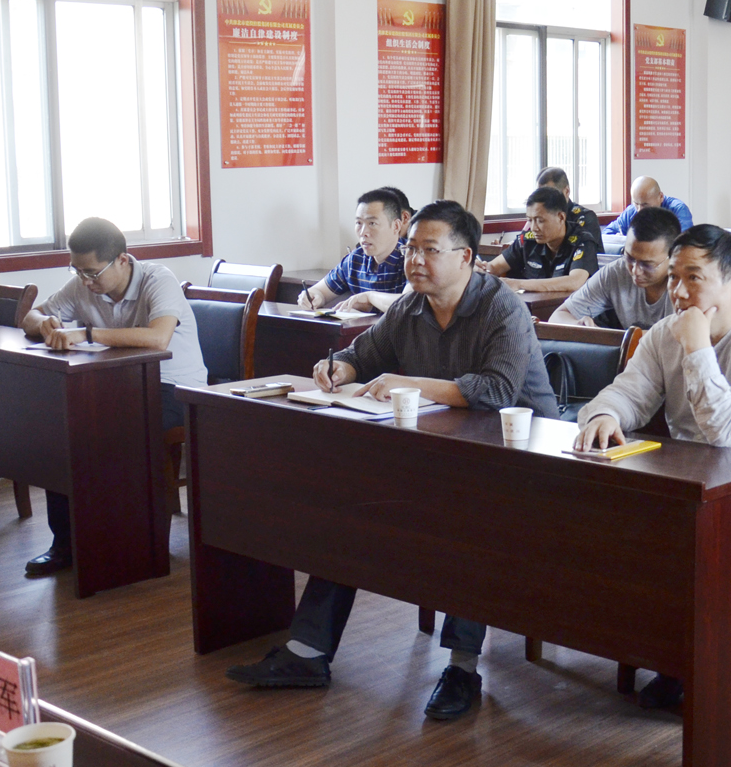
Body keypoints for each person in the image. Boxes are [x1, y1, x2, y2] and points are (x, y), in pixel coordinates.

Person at [226, 201, 560, 720]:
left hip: (521, 463)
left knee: (470, 526)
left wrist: (409, 383)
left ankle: (463, 668)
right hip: (442, 453)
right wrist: (339, 368)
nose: (415, 260)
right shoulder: (411, 307)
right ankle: (307, 652)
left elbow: (495, 391)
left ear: (465, 257)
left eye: (430, 250)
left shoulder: (502, 308)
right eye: (411, 249)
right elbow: (364, 352)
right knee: (352, 508)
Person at [575, 225, 731, 709]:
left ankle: (710, 680)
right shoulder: (665, 333)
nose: (679, 291)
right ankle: (668, 656)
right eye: (674, 277)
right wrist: (604, 414)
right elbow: (628, 393)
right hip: (694, 488)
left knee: (701, 554)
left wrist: (697, 347)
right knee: (616, 533)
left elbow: (724, 429)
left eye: (694, 278)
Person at [20, 218, 207, 579]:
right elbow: (33, 314)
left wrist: (87, 333)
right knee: (62, 431)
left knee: (112, 430)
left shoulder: (158, 279)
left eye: (92, 272)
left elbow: (158, 338)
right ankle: (66, 544)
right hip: (117, 384)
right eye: (76, 270)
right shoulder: (82, 284)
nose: (85, 281)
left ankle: (133, 545)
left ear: (122, 260)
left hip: (174, 387)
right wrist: (42, 323)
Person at [550, 206, 680, 329]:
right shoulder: (617, 272)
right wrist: (578, 324)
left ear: (673, 257)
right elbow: (557, 316)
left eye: (647, 264)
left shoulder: (686, 287)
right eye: (629, 258)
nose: (635, 271)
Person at [297, 187, 412, 311]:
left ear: (396, 226)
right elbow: (320, 291)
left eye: (372, 223)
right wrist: (314, 297)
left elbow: (408, 304)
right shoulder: (355, 259)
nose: (363, 232)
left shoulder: (413, 259)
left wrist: (370, 297)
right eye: (359, 223)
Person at [478, 186, 600, 293]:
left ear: (561, 217)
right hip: (532, 307)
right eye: (530, 220)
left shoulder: (582, 241)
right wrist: (479, 268)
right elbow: (494, 267)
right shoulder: (527, 240)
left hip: (570, 310)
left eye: (540, 221)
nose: (533, 228)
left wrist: (518, 284)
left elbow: (574, 282)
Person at [603, 176, 693, 235]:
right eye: (636, 203)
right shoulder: (631, 212)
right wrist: (621, 240)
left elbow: (683, 243)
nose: (639, 210)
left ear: (660, 197)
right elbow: (606, 235)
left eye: (645, 205)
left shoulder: (678, 210)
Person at [534, 166, 602, 238]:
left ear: (566, 191)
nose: (543, 200)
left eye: (549, 195)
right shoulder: (535, 219)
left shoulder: (585, 218)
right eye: (539, 194)